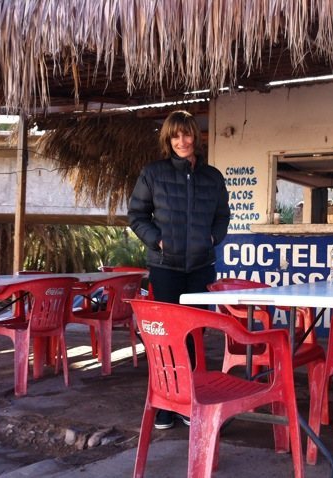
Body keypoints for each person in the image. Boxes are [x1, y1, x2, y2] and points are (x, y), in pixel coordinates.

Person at [128, 110, 230, 429]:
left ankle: (190, 400)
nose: (182, 141)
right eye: (175, 136)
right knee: (168, 336)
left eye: (187, 135)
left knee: (194, 334)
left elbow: (222, 216)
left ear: (195, 137)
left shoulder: (212, 177)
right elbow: (137, 216)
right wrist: (158, 241)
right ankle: (166, 402)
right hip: (166, 267)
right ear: (168, 140)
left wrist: (212, 238)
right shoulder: (153, 174)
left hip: (200, 267)